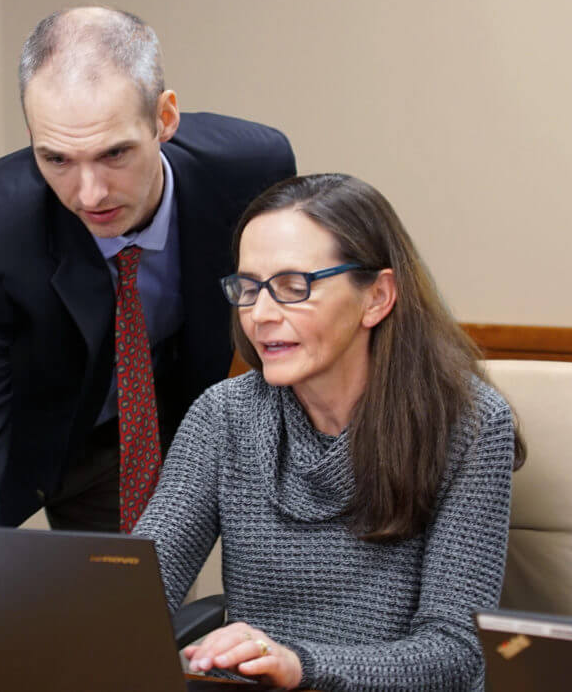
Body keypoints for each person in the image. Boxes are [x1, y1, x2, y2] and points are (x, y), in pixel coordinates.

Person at [0, 4, 295, 572]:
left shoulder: (251, 167)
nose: (89, 194)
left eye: (115, 154)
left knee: (123, 618)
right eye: (56, 159)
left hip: (122, 436)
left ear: (164, 117)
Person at [134, 173, 524, 691]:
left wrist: (300, 664)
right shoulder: (223, 415)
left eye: (294, 287)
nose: (261, 315)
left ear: (377, 297)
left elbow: (455, 653)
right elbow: (137, 593)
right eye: (248, 288)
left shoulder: (470, 426)